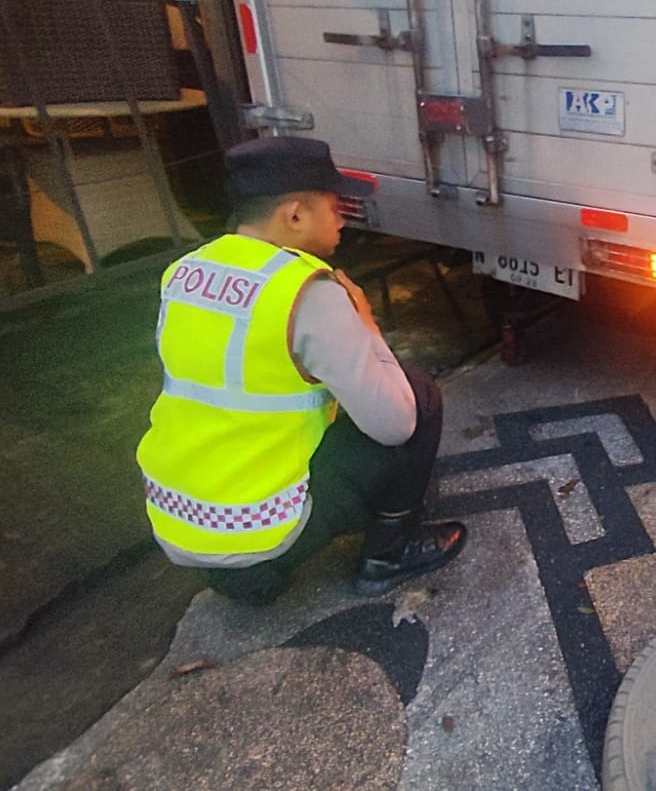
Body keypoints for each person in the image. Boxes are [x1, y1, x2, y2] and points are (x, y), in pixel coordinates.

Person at [137, 136, 467, 604]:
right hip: (263, 535)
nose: (343, 219)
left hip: (181, 523)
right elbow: (395, 424)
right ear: (294, 215)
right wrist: (368, 328)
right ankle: (389, 555)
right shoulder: (305, 292)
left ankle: (248, 573)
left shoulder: (185, 271)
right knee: (418, 396)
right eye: (335, 207)